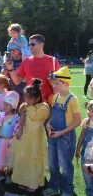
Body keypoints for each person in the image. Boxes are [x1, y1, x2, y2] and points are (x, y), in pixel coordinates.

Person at [43, 66, 81, 196]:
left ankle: (67, 191)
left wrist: (61, 132)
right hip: (53, 135)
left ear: (66, 84)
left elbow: (77, 121)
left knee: (65, 166)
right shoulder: (55, 97)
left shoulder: (73, 99)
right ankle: (54, 187)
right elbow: (53, 114)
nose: (53, 86)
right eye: (53, 83)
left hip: (66, 137)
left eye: (56, 84)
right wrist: (48, 123)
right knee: (53, 163)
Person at [8, 79, 50, 193]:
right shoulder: (24, 106)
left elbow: (35, 116)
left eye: (29, 98)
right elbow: (21, 115)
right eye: (25, 97)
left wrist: (27, 107)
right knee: (22, 157)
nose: (26, 100)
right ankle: (22, 180)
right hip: (24, 135)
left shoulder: (44, 107)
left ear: (37, 98)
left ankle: (33, 182)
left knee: (33, 158)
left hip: (36, 137)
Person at [5, 34, 60, 103]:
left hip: (49, 102)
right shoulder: (26, 61)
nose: (30, 47)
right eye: (29, 44)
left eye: (33, 44)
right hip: (30, 104)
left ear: (42, 45)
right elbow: (17, 81)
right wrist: (10, 69)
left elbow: (61, 82)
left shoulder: (53, 61)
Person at [0, 91, 20, 184]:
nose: (4, 107)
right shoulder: (0, 115)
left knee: (9, 157)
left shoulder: (16, 117)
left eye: (7, 105)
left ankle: (9, 174)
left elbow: (15, 129)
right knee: (0, 156)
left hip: (9, 141)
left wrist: (12, 140)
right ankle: (0, 173)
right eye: (4, 104)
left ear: (12, 106)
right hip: (0, 140)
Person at [75, 100, 93, 195]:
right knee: (88, 181)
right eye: (88, 110)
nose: (89, 113)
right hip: (85, 157)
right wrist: (78, 149)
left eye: (92, 111)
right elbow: (82, 136)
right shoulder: (86, 122)